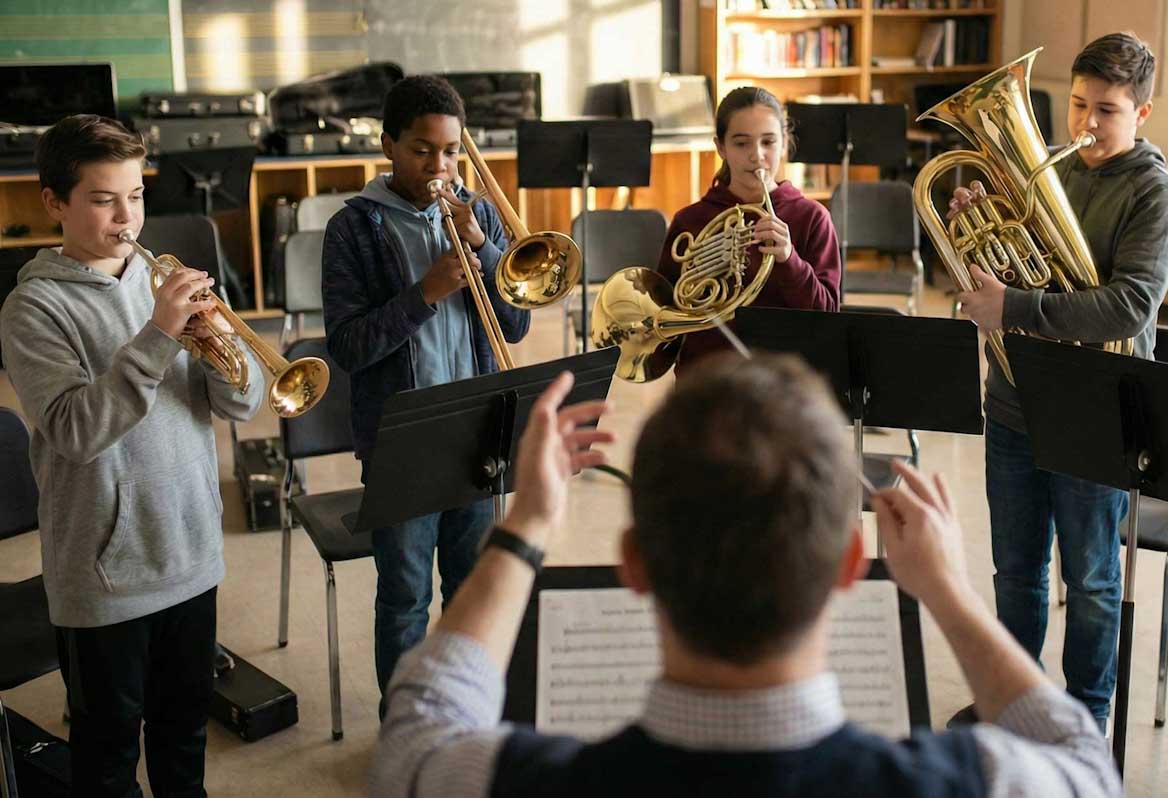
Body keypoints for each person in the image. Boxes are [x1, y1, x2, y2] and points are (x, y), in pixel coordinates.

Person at [368, 353, 1120, 798]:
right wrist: (949, 593)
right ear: (852, 565)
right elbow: (1085, 762)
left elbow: (417, 734)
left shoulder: (520, 781)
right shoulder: (966, 781)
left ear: (635, 566)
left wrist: (526, 523)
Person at [0, 114, 264, 796]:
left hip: (190, 552)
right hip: (105, 575)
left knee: (184, 737)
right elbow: (75, 432)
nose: (128, 217)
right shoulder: (33, 308)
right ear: (54, 202)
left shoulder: (162, 281)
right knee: (108, 755)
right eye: (103, 199)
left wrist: (220, 343)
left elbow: (241, 406)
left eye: (137, 195)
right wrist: (158, 335)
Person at [951, 32, 1168, 729]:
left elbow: (1131, 303)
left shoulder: (1155, 193)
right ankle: (1015, 703)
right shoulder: (1044, 172)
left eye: (1106, 110)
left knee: (1090, 580)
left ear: (1142, 113)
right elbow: (1013, 277)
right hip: (1016, 400)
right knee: (1016, 572)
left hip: (1097, 411)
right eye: (1079, 104)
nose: (1085, 123)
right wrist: (978, 231)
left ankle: (1085, 719)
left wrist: (1016, 307)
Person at [322, 74, 531, 706]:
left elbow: (515, 326)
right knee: (405, 596)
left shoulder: (478, 213)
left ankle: (463, 709)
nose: (439, 166)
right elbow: (349, 347)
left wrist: (485, 251)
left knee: (470, 586)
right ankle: (404, 726)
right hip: (402, 440)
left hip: (476, 431)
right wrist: (425, 295)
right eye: (421, 150)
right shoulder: (352, 228)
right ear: (388, 145)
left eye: (451, 151)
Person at [656, 86, 840, 375]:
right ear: (720, 147)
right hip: (705, 377)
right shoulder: (690, 221)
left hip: (783, 380)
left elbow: (828, 319)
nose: (756, 155)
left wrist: (789, 260)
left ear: (784, 143)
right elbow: (664, 316)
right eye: (741, 143)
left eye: (768, 142)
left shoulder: (812, 218)